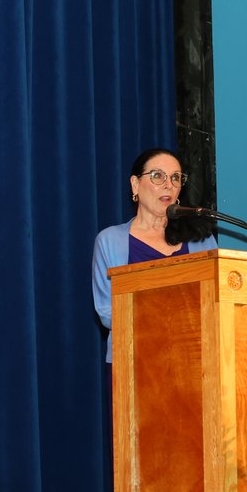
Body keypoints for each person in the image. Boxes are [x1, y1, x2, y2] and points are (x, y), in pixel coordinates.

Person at [92, 147, 218, 363]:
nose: (168, 184)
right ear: (135, 184)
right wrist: (169, 322)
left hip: (196, 358)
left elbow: (217, 301)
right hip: (134, 360)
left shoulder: (201, 239)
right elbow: (107, 311)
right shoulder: (110, 241)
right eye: (157, 176)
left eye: (176, 178)